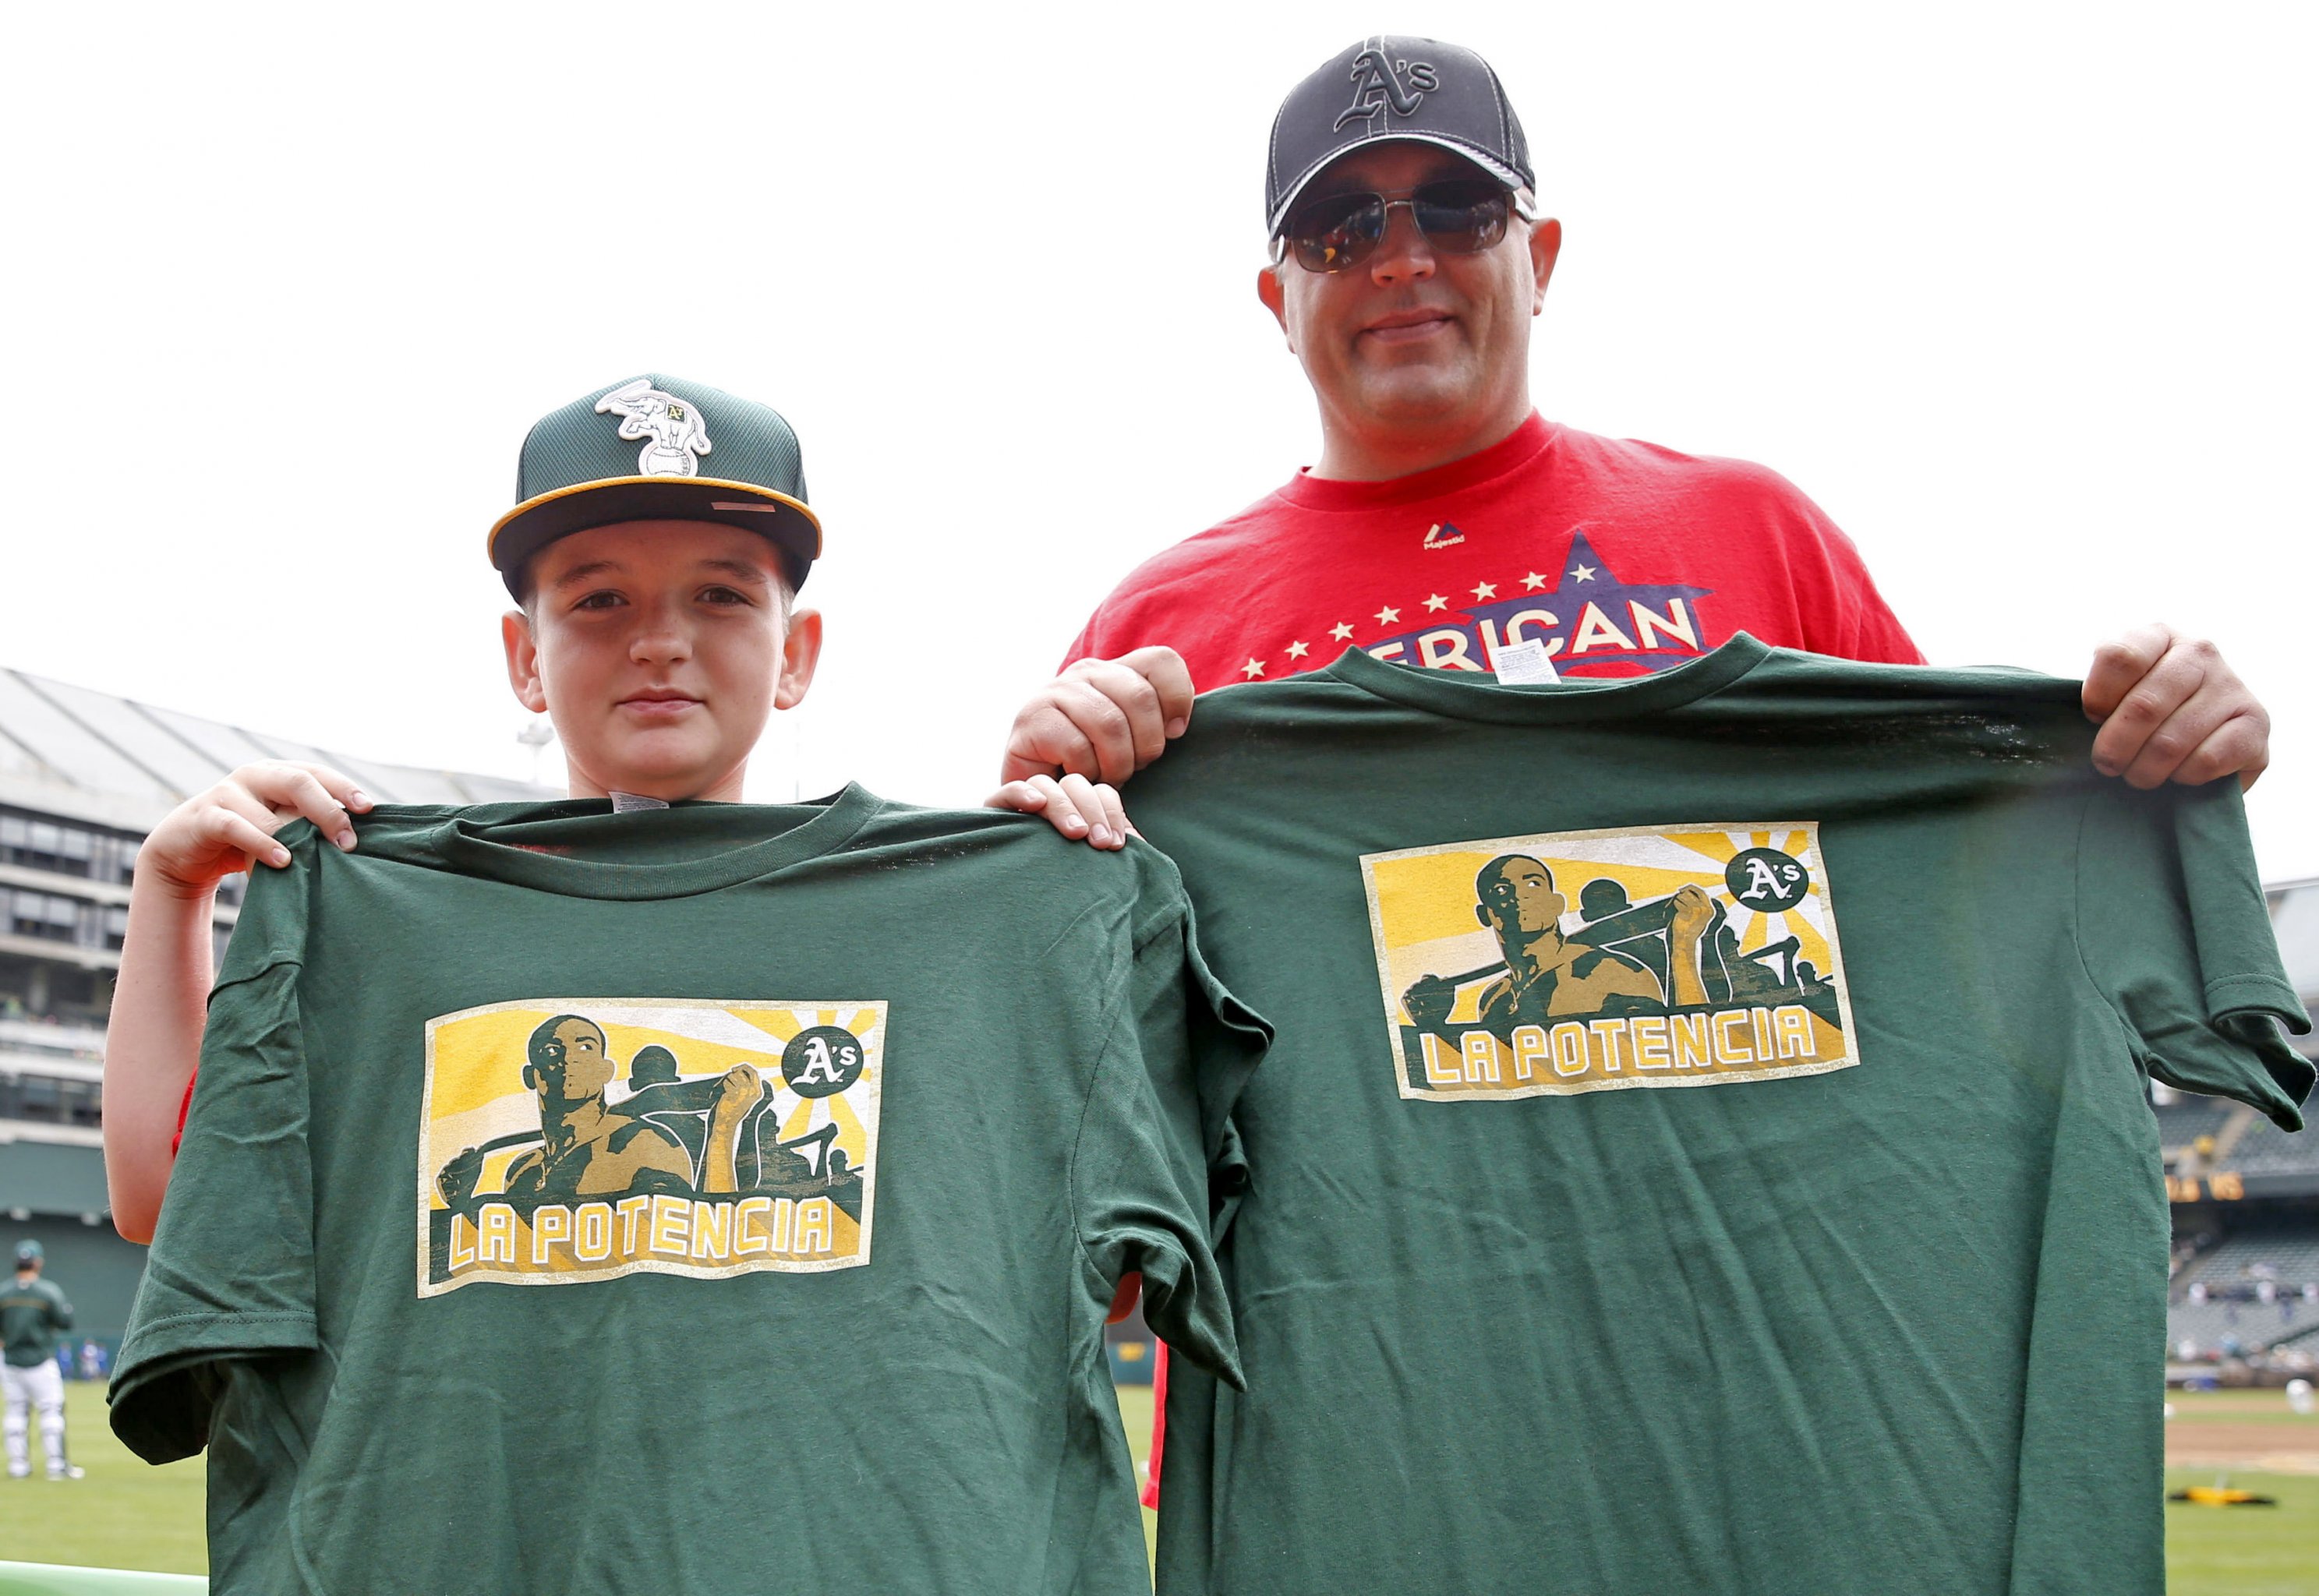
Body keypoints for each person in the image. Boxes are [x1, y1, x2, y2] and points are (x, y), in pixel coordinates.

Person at [999, 31, 2276, 1496]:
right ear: (1273, 294)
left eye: (1455, 213)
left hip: (1792, 1407)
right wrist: (1039, 835)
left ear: (1540, 251)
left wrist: (2155, 764)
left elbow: (1967, 906)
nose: (1401, 257)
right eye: (1342, 227)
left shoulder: (1753, 533)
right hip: (1399, 1448)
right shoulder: (1158, 630)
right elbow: (1080, 1128)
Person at [101, 376, 1122, 1242]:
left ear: (796, 654)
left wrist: (1032, 917)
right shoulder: (397, 924)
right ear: (523, 659)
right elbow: (161, 1202)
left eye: (720, 595)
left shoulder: (919, 920)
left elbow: (1094, 1269)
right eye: (598, 600)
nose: (659, 641)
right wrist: (171, 887)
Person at [2, 1240, 81, 1481]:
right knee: (51, 1410)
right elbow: (65, 1321)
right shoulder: (48, 1291)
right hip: (40, 1360)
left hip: (10, 1360)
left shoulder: (4, 1292)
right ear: (38, 1263)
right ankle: (56, 1466)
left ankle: (18, 1466)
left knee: (15, 1411)